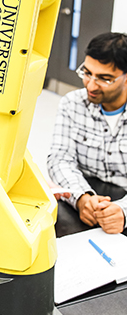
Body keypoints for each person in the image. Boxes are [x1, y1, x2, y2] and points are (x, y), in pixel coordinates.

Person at [48, 32, 127, 234]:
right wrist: (82, 198)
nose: (90, 85)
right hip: (85, 194)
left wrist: (124, 213)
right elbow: (59, 159)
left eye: (105, 79)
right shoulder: (72, 103)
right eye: (87, 72)